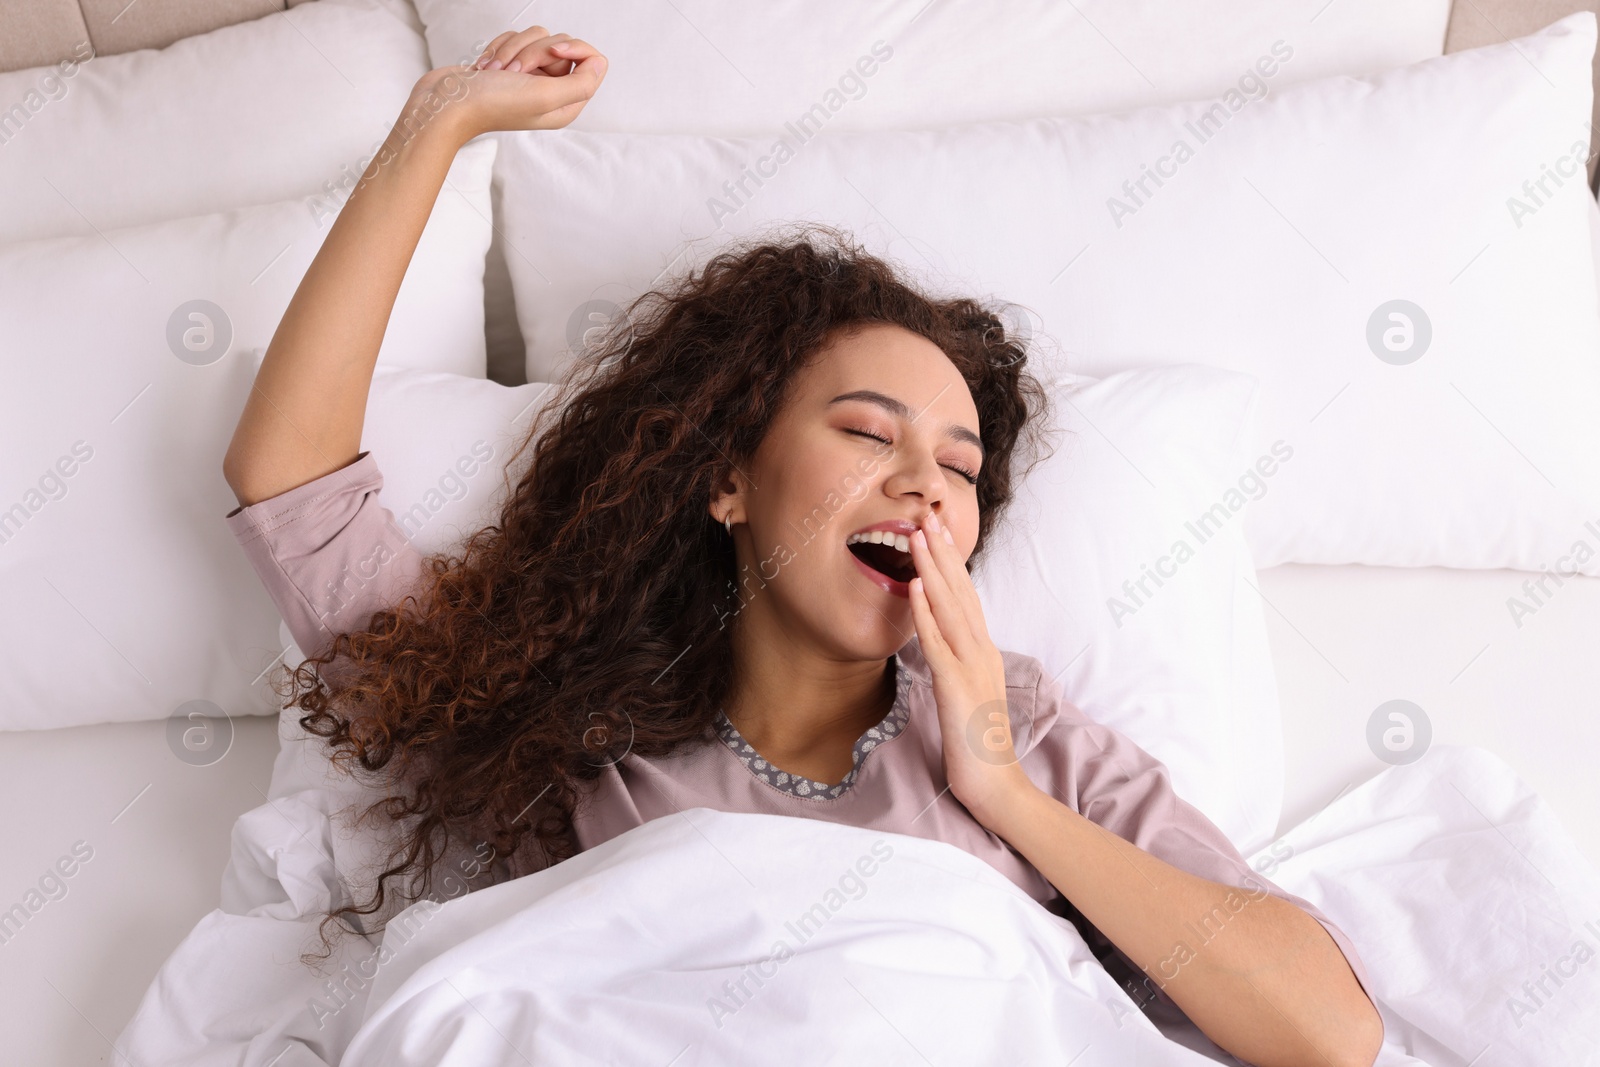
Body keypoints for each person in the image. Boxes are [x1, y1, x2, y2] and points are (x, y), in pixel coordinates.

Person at [220, 26, 1383, 1067]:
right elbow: (288, 478)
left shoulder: (1029, 736)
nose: (926, 484)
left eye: (963, 468)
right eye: (869, 433)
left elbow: (1326, 1031)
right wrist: (437, 127)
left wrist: (1003, 792)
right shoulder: (564, 737)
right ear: (728, 480)